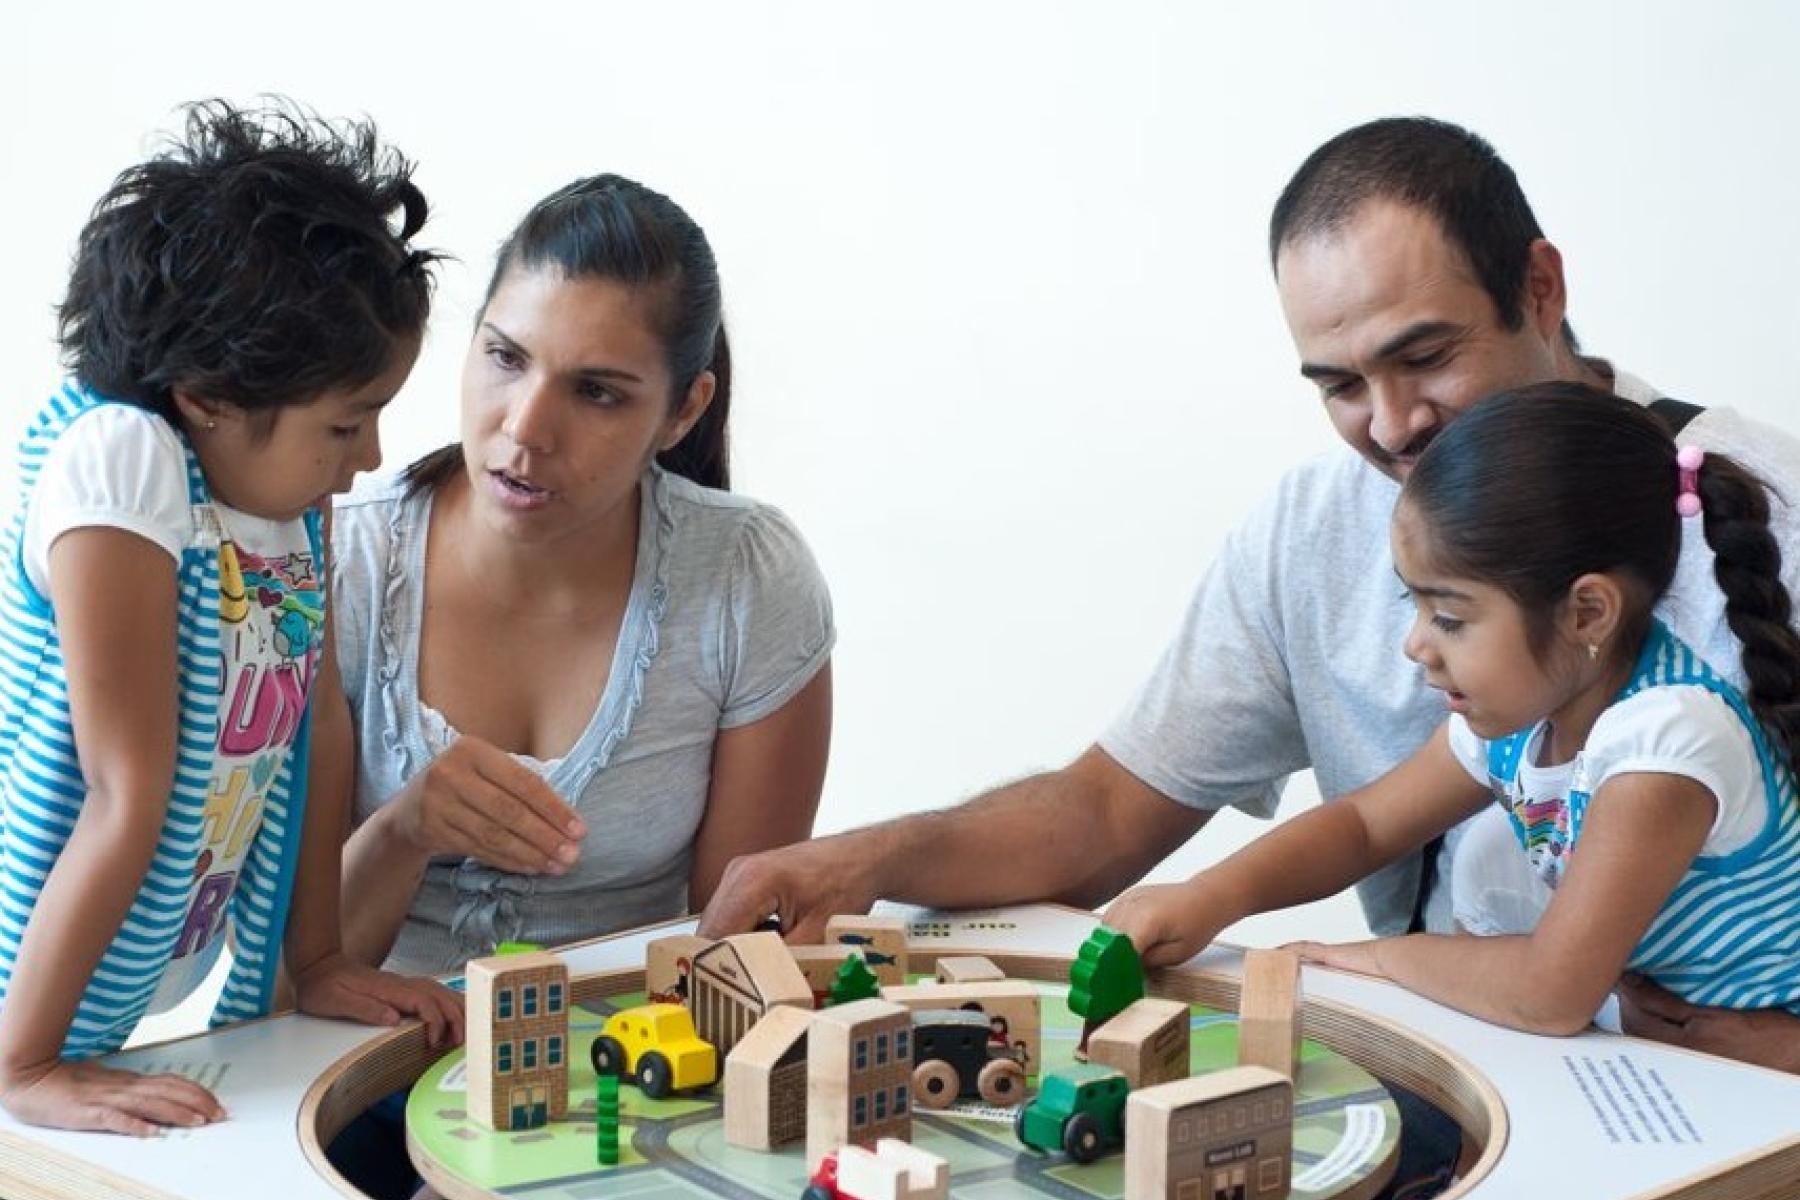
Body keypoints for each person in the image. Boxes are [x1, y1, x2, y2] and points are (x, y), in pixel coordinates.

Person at [698, 117, 1800, 1073]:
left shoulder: (1759, 523)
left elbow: (1565, 987)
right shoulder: (1314, 530)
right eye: (1340, 385)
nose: (1392, 423)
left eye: (1424, 356)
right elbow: (1112, 814)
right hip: (1480, 1064)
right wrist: (873, 860)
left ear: (1541, 288)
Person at [0, 100, 462, 1138]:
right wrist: (25, 1063)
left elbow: (314, 727)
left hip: (135, 969)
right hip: (23, 977)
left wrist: (320, 960)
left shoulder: (288, 499)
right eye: (348, 422)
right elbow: (126, 782)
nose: (374, 454)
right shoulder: (120, 464)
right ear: (208, 394)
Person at [1104, 385, 1800, 1030]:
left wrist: (1383, 959)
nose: (1417, 646)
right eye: (1416, 603)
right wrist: (1212, 896)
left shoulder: (1666, 741)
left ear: (1587, 612)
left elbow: (1550, 992)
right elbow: (1365, 825)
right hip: (1674, 1048)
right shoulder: (1528, 708)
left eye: (1450, 617)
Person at [328, 173, 834, 975]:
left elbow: (732, 958)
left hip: (623, 1073)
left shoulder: (748, 578)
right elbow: (283, 984)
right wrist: (405, 830)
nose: (526, 428)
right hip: (344, 1069)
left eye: (596, 392)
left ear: (683, 412)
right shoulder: (336, 562)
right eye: (505, 357)